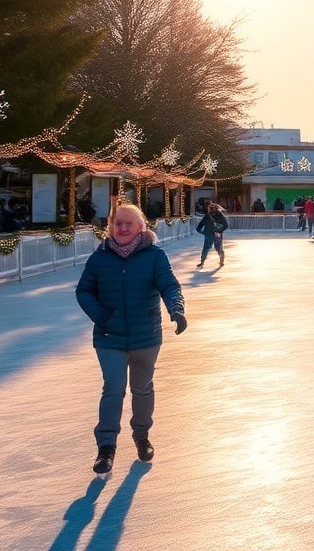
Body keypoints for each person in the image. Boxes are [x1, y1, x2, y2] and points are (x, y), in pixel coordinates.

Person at [75, 203, 186, 475]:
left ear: (141, 226)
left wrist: (176, 308)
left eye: (129, 223)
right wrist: (101, 315)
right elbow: (84, 291)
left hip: (145, 336)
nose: (123, 228)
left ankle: (141, 435)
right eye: (118, 224)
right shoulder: (100, 257)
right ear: (111, 227)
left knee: (142, 388)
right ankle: (106, 447)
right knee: (113, 388)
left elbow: (169, 285)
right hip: (109, 337)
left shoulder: (155, 256)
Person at [195, 202, 228, 267]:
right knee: (205, 249)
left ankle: (221, 261)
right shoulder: (207, 216)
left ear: (216, 209)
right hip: (209, 235)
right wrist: (204, 232)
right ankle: (202, 262)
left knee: (219, 249)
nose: (211, 209)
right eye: (210, 208)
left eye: (212, 208)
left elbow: (225, 226)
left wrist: (219, 231)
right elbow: (199, 226)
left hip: (217, 235)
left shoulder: (220, 216)